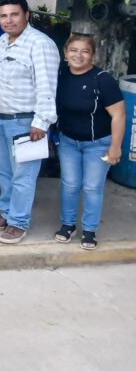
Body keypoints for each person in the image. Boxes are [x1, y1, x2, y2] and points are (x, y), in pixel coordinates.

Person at [0, 0, 59, 244]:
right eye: (3, 15)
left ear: (27, 15)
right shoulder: (3, 40)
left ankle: (18, 222)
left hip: (26, 122)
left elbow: (47, 86)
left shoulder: (40, 44)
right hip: (1, 118)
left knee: (23, 175)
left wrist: (42, 122)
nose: (8, 20)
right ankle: (6, 213)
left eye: (14, 14)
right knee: (2, 171)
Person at [53, 34, 125, 250]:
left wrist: (115, 147)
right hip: (68, 142)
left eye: (85, 51)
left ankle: (89, 230)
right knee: (70, 184)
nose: (78, 55)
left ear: (92, 55)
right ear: (65, 53)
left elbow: (119, 115)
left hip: (98, 144)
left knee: (92, 188)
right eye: (73, 50)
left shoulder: (102, 79)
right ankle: (68, 225)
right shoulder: (61, 76)